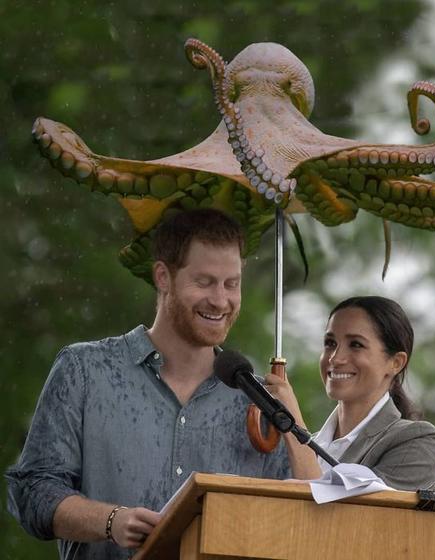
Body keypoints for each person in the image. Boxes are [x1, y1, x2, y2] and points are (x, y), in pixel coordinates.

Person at [5, 208, 290, 560]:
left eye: (231, 284)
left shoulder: (262, 405)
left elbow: (292, 522)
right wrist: (110, 520)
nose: (220, 300)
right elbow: (32, 492)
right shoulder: (84, 370)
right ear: (163, 277)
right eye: (204, 282)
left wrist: (296, 425)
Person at [265, 295, 435, 490]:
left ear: (396, 363)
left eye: (356, 345)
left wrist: (291, 425)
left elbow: (335, 515)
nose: (335, 358)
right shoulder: (306, 446)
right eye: (330, 343)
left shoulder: (416, 441)